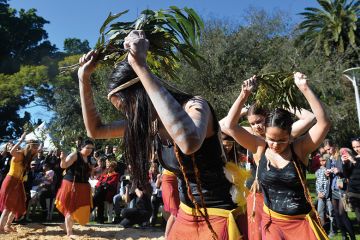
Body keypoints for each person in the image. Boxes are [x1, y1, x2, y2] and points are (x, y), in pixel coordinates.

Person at [78, 30, 246, 239]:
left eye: (131, 109)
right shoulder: (150, 123)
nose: (130, 117)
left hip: (218, 217)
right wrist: (83, 78)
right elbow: (95, 130)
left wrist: (140, 66)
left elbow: (188, 142)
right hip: (186, 215)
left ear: (144, 94)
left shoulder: (195, 106)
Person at [221, 72, 330, 240]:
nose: (275, 145)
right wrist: (244, 95)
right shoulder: (259, 147)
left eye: (282, 140)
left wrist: (304, 88)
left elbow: (323, 123)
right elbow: (229, 125)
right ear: (265, 133)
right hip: (273, 223)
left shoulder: (299, 148)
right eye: (271, 139)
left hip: (301, 224)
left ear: (290, 136)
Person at [0, 133, 40, 232]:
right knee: (8, 206)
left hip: (18, 183)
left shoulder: (28, 156)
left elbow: (39, 150)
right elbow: (12, 151)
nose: (37, 150)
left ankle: (8, 225)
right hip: (10, 181)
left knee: (18, 204)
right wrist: (21, 140)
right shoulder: (19, 154)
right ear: (31, 147)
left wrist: (39, 140)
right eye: (35, 147)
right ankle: (0, 227)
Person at [55, 139, 94, 238]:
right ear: (82, 147)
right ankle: (69, 233)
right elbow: (64, 165)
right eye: (87, 148)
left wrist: (103, 170)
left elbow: (91, 174)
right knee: (70, 208)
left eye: (91, 148)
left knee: (79, 208)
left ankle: (65, 225)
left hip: (83, 186)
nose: (89, 150)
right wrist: (63, 159)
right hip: (71, 185)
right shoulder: (75, 155)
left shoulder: (89, 158)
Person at [323, 139, 355, 240]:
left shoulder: (341, 156)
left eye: (329, 149)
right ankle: (344, 236)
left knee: (342, 214)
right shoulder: (329, 159)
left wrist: (339, 172)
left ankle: (353, 237)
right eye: (326, 150)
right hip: (332, 189)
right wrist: (326, 174)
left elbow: (348, 172)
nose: (328, 151)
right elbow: (327, 176)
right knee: (336, 214)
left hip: (342, 189)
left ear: (334, 146)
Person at [92, 159, 120, 223]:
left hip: (109, 192)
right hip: (102, 191)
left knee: (98, 195)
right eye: (107, 166)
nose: (108, 167)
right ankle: (100, 219)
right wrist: (100, 185)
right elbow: (99, 182)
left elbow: (112, 183)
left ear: (113, 167)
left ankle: (91, 208)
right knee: (100, 198)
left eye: (109, 166)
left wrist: (103, 184)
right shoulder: (104, 174)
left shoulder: (116, 175)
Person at [341, 140, 360, 226]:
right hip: (354, 193)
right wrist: (344, 163)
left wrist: (354, 162)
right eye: (354, 147)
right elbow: (347, 175)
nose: (356, 149)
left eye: (358, 146)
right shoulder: (355, 158)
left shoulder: (354, 160)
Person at [315, 154, 334, 236]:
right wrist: (319, 192)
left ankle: (332, 230)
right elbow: (318, 183)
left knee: (331, 213)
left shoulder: (330, 170)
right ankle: (323, 229)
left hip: (329, 195)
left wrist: (324, 193)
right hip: (320, 195)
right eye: (320, 161)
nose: (321, 162)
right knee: (320, 212)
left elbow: (328, 184)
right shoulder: (318, 171)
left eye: (323, 160)